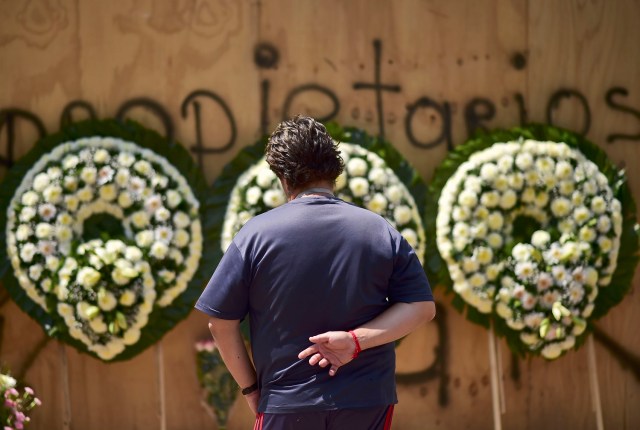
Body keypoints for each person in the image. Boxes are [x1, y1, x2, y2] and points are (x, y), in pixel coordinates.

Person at [195, 115, 435, 430]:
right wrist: (355, 341)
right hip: (366, 399)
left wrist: (252, 388)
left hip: (286, 400)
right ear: (334, 169)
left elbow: (220, 322)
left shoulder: (255, 235)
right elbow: (421, 307)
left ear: (283, 177)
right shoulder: (379, 230)